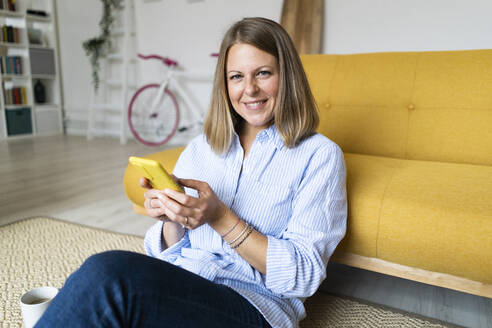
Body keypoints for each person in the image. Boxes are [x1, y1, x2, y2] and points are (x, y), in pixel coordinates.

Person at [37, 17, 347, 328]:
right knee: (87, 291)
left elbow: (304, 276)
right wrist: (173, 217)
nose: (249, 89)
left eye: (263, 73)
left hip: (254, 308)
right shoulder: (203, 148)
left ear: (287, 76)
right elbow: (173, 253)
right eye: (236, 76)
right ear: (225, 85)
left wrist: (221, 218)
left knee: (107, 275)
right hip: (186, 288)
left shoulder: (319, 156)